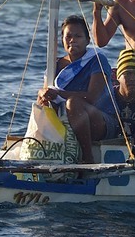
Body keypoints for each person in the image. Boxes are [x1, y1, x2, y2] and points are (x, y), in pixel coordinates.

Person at [36, 16, 117, 164]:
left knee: (73, 103)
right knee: (45, 102)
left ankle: (87, 157)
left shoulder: (97, 60)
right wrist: (43, 93)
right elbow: (46, 91)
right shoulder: (55, 64)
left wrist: (59, 93)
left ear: (87, 40)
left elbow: (92, 97)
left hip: (102, 121)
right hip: (67, 119)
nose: (72, 40)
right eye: (68, 36)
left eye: (78, 36)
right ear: (62, 40)